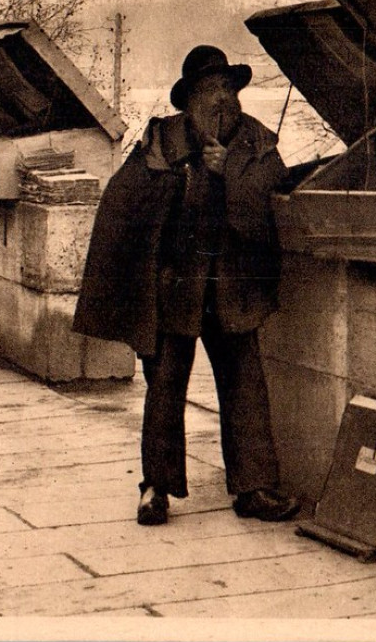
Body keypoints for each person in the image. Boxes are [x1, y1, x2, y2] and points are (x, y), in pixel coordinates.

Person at [73, 45, 298, 526]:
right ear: (189, 98)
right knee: (165, 387)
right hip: (178, 287)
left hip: (232, 285)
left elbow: (275, 200)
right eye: (210, 89)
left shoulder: (256, 142)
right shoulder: (162, 141)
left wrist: (225, 177)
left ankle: (254, 487)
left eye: (227, 88)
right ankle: (156, 488)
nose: (222, 99)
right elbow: (124, 200)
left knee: (245, 385)